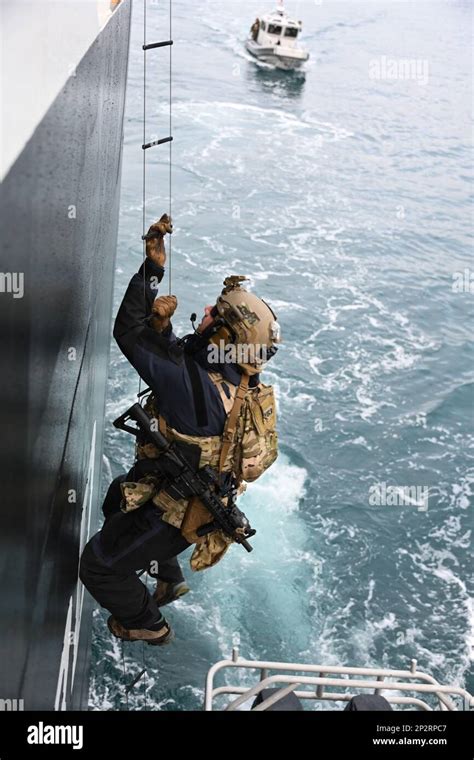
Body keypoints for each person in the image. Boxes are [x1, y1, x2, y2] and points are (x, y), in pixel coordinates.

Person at [79, 213, 281, 645]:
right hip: (200, 498)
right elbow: (182, 366)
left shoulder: (194, 384)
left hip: (176, 513)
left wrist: (152, 270)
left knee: (97, 566)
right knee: (118, 494)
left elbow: (128, 332)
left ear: (226, 336)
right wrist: (164, 330)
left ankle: (149, 624)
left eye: (216, 314)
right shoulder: (244, 382)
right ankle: (168, 578)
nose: (206, 312)